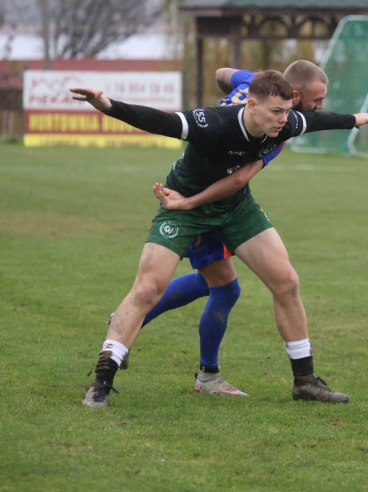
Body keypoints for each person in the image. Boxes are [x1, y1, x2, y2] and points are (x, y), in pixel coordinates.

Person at [71, 70, 368, 408]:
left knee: (286, 281)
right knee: (148, 288)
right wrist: (106, 104)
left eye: (287, 112)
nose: (285, 120)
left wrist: (357, 119)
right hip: (183, 204)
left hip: (234, 208)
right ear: (252, 105)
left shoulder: (286, 123)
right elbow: (159, 121)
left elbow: (320, 120)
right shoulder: (214, 123)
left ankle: (305, 381)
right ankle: (101, 382)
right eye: (276, 113)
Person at [134, 60, 329, 398]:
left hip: (224, 201)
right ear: (293, 96)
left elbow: (221, 73)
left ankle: (141, 325)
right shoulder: (274, 131)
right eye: (316, 100)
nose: (320, 108)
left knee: (232, 285)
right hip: (202, 200)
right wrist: (191, 204)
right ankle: (196, 367)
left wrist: (240, 92)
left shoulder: (254, 87)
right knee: (224, 287)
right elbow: (236, 179)